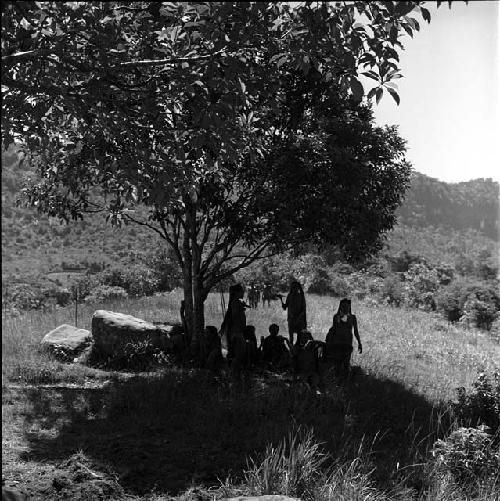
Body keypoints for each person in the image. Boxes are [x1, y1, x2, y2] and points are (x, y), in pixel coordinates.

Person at [324, 298, 362, 379]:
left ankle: (345, 380)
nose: (345, 308)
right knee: (337, 363)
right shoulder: (336, 317)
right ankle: (337, 379)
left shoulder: (352, 317)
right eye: (343, 306)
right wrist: (329, 342)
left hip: (347, 343)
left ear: (349, 307)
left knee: (346, 363)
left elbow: (356, 331)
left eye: (347, 306)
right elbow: (334, 329)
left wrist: (359, 343)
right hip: (337, 343)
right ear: (340, 307)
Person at [220, 283, 249, 374]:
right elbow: (234, 316)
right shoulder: (236, 302)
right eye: (241, 291)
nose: (243, 293)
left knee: (235, 353)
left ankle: (233, 371)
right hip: (236, 332)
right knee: (238, 354)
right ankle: (233, 372)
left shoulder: (236, 302)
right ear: (237, 292)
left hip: (236, 331)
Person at [279, 281, 307, 346]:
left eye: (295, 287)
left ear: (298, 288)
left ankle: (297, 350)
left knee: (299, 337)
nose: (294, 288)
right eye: (293, 287)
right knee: (291, 337)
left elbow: (303, 309)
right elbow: (285, 307)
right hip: (291, 319)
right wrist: (281, 300)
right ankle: (291, 349)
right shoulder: (289, 296)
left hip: (299, 320)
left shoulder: (301, 296)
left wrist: (298, 318)